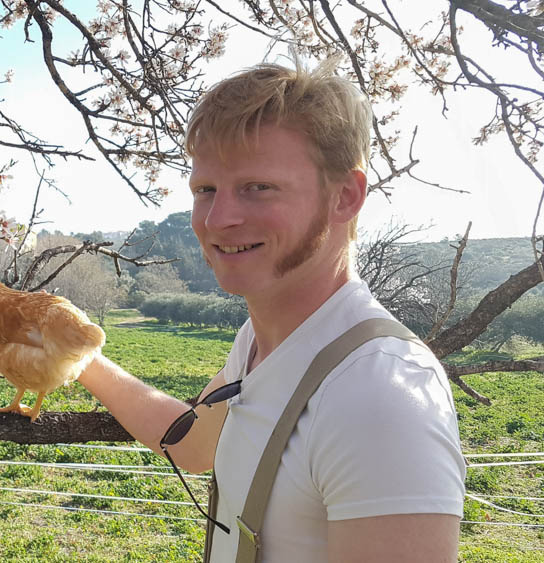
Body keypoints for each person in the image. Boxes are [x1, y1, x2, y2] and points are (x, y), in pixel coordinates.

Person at [78, 58, 466, 562]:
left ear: (345, 195)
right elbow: (193, 443)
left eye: (257, 187)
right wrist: (79, 354)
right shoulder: (262, 342)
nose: (218, 219)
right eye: (205, 190)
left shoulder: (379, 395)